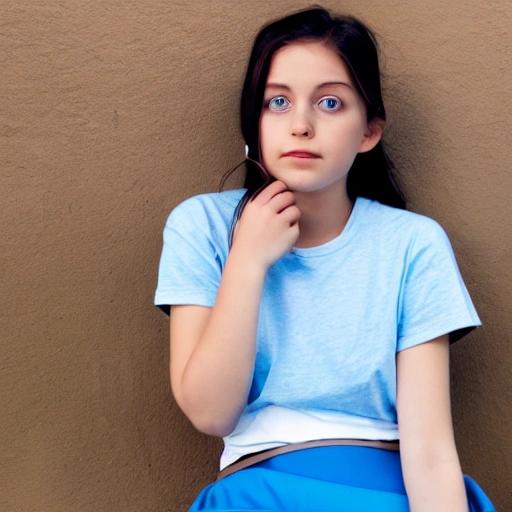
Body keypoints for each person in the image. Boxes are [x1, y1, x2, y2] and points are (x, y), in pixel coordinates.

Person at [155, 7, 496, 511]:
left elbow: (430, 454)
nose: (300, 125)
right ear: (254, 119)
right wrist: (247, 261)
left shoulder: (412, 244)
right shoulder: (201, 226)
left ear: (369, 131)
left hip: (389, 493)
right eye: (277, 102)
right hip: (257, 493)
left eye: (330, 102)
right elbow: (210, 413)